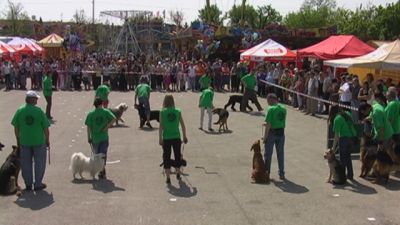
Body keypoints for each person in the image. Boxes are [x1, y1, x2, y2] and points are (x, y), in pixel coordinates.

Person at [11, 91, 50, 191]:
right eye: (36, 98)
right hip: (38, 141)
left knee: (25, 163)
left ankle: (28, 184)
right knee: (39, 163)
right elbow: (46, 128)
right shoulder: (39, 111)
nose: (37, 100)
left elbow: (16, 127)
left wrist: (18, 139)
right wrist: (47, 140)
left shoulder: (20, 110)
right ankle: (37, 184)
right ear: (32, 100)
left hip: (24, 141)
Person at [159, 95, 188, 184]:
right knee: (177, 155)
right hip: (176, 137)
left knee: (166, 156)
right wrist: (184, 136)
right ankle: (178, 172)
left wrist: (160, 138)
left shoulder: (162, 112)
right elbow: (183, 125)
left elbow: (161, 126)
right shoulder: (178, 111)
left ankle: (168, 177)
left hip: (167, 137)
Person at [85, 98, 116, 179]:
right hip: (104, 137)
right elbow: (114, 119)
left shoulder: (91, 114)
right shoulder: (105, 111)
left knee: (96, 155)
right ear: (101, 104)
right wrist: (107, 127)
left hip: (95, 138)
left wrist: (88, 137)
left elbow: (88, 127)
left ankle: (100, 170)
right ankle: (102, 170)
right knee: (103, 154)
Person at [263, 93, 287, 180]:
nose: (267, 103)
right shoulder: (284, 108)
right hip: (281, 132)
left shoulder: (271, 109)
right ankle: (281, 173)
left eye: (267, 101)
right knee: (280, 154)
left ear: (271, 100)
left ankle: (267, 173)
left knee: (268, 154)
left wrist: (265, 137)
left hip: (272, 133)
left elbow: (269, 124)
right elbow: (280, 120)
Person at [332, 107, 357, 180]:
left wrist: (333, 148)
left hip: (344, 139)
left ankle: (342, 177)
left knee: (342, 159)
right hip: (352, 138)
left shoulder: (337, 119)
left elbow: (336, 135)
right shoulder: (348, 113)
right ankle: (350, 175)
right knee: (348, 157)